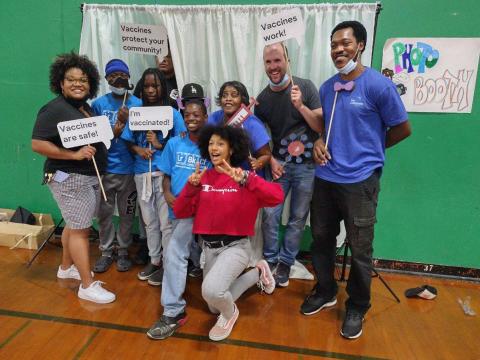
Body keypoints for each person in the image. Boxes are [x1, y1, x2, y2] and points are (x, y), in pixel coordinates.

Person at [302, 21, 411, 339]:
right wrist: (319, 142)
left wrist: (372, 152)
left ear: (360, 45)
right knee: (321, 240)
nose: (338, 49)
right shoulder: (327, 87)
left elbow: (403, 128)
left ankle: (358, 306)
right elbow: (326, 128)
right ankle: (325, 290)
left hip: (360, 181)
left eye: (345, 43)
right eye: (334, 44)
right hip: (325, 178)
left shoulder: (379, 86)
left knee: (360, 249)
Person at [173, 125, 284, 342]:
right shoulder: (203, 178)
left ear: (231, 149)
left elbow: (277, 196)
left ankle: (231, 313)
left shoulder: (243, 177)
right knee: (213, 305)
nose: (214, 148)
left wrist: (247, 180)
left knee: (213, 291)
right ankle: (258, 274)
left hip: (236, 247)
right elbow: (180, 211)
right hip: (209, 250)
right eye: (211, 143)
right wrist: (190, 187)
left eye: (220, 144)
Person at [31, 52, 115, 303]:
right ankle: (87, 286)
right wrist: (74, 155)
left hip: (86, 176)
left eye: (83, 80)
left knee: (73, 223)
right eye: (72, 79)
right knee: (81, 230)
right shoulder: (53, 109)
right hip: (69, 178)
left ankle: (67, 268)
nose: (78, 84)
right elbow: (37, 144)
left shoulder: (83, 107)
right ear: (60, 82)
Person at [255, 43, 323, 287]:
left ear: (287, 60)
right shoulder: (263, 98)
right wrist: (271, 158)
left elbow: (320, 126)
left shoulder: (305, 87)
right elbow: (257, 136)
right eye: (268, 62)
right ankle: (271, 259)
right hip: (279, 166)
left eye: (277, 60)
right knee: (270, 214)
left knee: (297, 218)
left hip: (307, 168)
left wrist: (300, 105)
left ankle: (286, 261)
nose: (273, 66)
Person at [147, 98, 209, 340]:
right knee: (175, 253)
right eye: (188, 115)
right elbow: (166, 175)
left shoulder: (212, 145)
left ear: (205, 116)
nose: (191, 118)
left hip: (204, 212)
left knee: (189, 255)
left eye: (197, 115)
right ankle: (173, 310)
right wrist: (166, 193)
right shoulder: (174, 143)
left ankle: (214, 295)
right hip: (179, 211)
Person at [122, 68, 186, 286]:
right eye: (147, 86)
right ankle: (155, 259)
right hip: (142, 172)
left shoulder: (173, 113)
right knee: (149, 222)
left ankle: (169, 264)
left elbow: (183, 142)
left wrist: (160, 144)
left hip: (164, 174)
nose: (150, 90)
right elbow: (127, 139)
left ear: (162, 87)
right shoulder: (136, 111)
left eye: (155, 85)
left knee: (166, 223)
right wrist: (139, 150)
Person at [91, 59, 142, 273]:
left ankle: (122, 249)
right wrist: (115, 129)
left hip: (129, 170)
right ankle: (105, 250)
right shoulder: (99, 104)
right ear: (106, 79)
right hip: (104, 169)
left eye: (121, 74)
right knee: (104, 212)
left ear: (128, 77)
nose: (117, 79)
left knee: (127, 212)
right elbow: (94, 135)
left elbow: (141, 136)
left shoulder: (137, 104)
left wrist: (129, 121)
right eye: (112, 76)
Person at [208, 81, 271, 176]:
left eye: (234, 95)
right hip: (221, 177)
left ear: (243, 100)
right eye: (224, 95)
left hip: (246, 178)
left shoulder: (253, 123)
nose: (228, 99)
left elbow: (266, 154)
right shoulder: (213, 118)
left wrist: (257, 163)